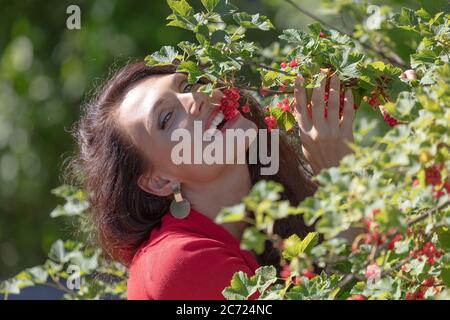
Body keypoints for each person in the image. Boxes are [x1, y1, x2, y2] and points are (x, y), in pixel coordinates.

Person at [72, 60, 355, 299]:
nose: (195, 99)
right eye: (167, 117)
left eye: (187, 85)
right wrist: (340, 177)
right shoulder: (176, 264)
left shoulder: (280, 214)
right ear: (159, 181)